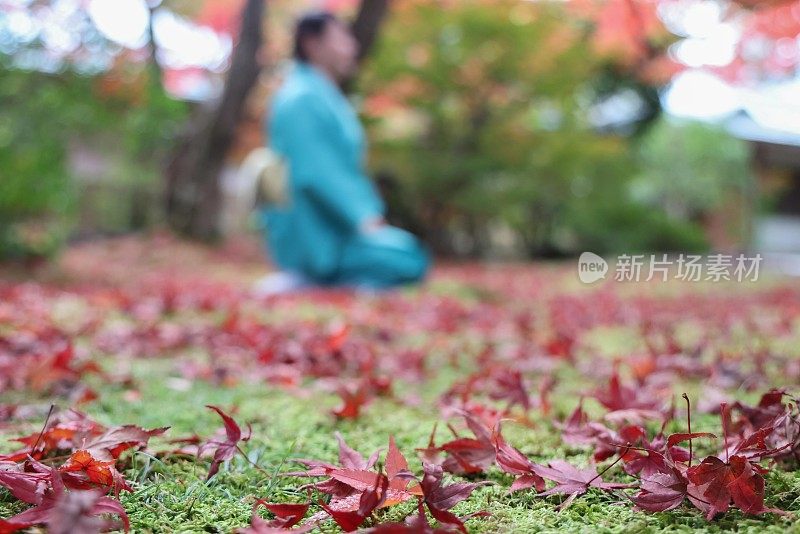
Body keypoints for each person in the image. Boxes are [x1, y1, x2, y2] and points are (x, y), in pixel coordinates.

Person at [255, 11, 430, 295]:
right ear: (312, 44)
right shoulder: (301, 98)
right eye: (341, 38)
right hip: (315, 229)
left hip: (334, 226)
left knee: (405, 252)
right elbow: (315, 171)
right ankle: (311, 278)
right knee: (406, 258)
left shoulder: (319, 94)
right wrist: (361, 217)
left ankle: (333, 280)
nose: (352, 47)